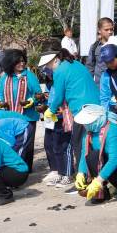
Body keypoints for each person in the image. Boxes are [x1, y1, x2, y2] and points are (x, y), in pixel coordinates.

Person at [44, 49, 100, 183]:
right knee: (93, 142)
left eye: (48, 64)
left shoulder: (60, 71)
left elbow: (58, 95)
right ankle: (95, 176)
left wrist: (50, 110)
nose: (47, 67)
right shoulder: (76, 64)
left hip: (82, 111)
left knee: (79, 145)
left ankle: (85, 179)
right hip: (96, 106)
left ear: (56, 59)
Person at [73, 104, 117, 205]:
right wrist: (80, 173)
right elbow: (85, 153)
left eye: (88, 122)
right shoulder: (89, 132)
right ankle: (103, 192)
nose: (85, 125)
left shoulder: (113, 131)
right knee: (91, 157)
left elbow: (114, 160)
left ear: (98, 120)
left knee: (112, 166)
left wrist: (98, 181)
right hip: (111, 160)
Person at [0, 49, 42, 171]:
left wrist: (31, 101)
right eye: (18, 62)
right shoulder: (5, 78)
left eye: (23, 61)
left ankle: (26, 170)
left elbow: (38, 94)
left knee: (27, 145)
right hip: (10, 117)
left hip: (27, 117)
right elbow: (0, 94)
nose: (22, 64)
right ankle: (14, 168)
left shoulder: (29, 76)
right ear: (11, 63)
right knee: (12, 143)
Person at [36, 55, 74, 188]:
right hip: (53, 119)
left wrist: (61, 110)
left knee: (66, 147)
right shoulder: (51, 85)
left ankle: (68, 174)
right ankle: (59, 171)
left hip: (65, 118)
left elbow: (66, 99)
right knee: (56, 146)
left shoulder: (62, 80)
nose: (49, 75)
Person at [86, 17, 114, 84]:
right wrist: (90, 85)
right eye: (106, 30)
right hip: (100, 86)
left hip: (116, 85)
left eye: (111, 29)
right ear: (99, 30)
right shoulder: (94, 47)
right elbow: (90, 67)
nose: (110, 32)